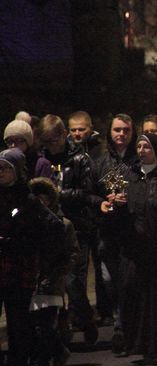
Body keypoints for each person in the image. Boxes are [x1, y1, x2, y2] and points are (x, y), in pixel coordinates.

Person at [101, 134, 157, 365]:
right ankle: (135, 343)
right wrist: (112, 205)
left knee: (154, 298)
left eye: (146, 145)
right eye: (138, 145)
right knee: (129, 291)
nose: (141, 149)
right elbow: (121, 207)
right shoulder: (129, 174)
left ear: (156, 149)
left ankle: (156, 347)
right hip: (132, 245)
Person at [0, 149, 66, 366]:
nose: (2, 173)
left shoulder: (27, 199)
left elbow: (55, 228)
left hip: (19, 270)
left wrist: (28, 244)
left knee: (19, 325)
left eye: (7, 168)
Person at [39, 115, 100, 346]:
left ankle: (85, 318)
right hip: (50, 227)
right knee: (54, 284)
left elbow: (86, 191)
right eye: (46, 142)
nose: (51, 147)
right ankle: (61, 332)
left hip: (75, 226)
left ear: (63, 135)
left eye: (54, 141)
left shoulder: (79, 159)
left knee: (75, 281)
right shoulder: (43, 159)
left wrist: (56, 194)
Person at [92, 113, 139, 353]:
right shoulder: (99, 162)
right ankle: (121, 321)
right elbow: (88, 193)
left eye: (126, 130)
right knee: (110, 280)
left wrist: (130, 198)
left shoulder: (139, 160)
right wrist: (101, 201)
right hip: (108, 231)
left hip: (131, 230)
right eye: (117, 130)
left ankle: (123, 329)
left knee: (128, 282)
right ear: (110, 132)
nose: (121, 134)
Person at [28, 177, 79, 366]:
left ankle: (45, 362)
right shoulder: (26, 223)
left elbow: (72, 253)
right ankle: (55, 354)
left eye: (44, 198)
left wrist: (58, 274)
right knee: (33, 325)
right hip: (31, 280)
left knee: (46, 325)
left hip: (51, 280)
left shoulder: (62, 224)